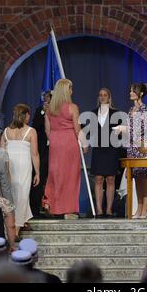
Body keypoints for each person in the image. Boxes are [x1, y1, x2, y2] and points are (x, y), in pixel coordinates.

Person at [43, 79, 88, 219]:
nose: (72, 91)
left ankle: (50, 204)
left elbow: (47, 130)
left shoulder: (50, 108)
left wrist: (55, 139)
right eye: (70, 88)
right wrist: (85, 144)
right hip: (69, 143)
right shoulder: (72, 107)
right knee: (70, 176)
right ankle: (68, 210)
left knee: (55, 174)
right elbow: (77, 129)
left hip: (55, 143)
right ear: (66, 90)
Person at [114, 83, 147, 219]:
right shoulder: (131, 110)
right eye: (130, 90)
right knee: (136, 178)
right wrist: (122, 129)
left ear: (140, 93)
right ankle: (139, 206)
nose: (130, 93)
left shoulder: (145, 111)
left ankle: (145, 207)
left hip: (141, 147)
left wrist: (125, 129)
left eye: (133, 91)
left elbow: (142, 130)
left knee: (143, 177)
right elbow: (130, 128)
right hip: (131, 148)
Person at [1, 104, 40, 236]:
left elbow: (2, 154)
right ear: (25, 115)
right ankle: (16, 230)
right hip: (24, 166)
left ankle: (22, 221)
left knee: (13, 196)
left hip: (9, 166)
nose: (29, 117)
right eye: (28, 114)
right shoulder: (31, 131)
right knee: (22, 196)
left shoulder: (6, 131)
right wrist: (38, 172)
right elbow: (35, 154)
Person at [89, 88, 122, 218]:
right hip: (98, 149)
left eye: (105, 95)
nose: (102, 97)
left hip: (112, 149)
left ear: (109, 97)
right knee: (98, 178)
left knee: (110, 178)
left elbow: (122, 132)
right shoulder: (93, 113)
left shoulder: (116, 113)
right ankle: (99, 209)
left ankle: (108, 209)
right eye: (100, 95)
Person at [30, 91, 52, 218]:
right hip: (42, 150)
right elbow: (35, 127)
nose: (47, 100)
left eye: (49, 98)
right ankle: (36, 209)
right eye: (45, 98)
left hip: (56, 149)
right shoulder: (40, 110)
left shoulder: (57, 111)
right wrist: (43, 113)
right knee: (40, 179)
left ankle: (53, 207)